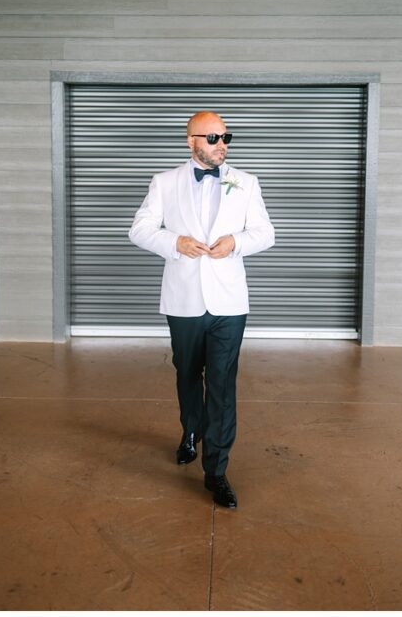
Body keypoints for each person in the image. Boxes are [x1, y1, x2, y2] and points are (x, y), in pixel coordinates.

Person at [129, 111, 275, 509]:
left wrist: (237, 242)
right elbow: (139, 228)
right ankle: (189, 432)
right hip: (184, 300)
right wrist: (175, 242)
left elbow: (266, 232)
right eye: (212, 137)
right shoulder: (165, 182)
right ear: (190, 140)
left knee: (223, 386)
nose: (221, 143)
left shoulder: (245, 183)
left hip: (229, 301)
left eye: (226, 136)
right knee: (188, 374)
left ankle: (217, 471)